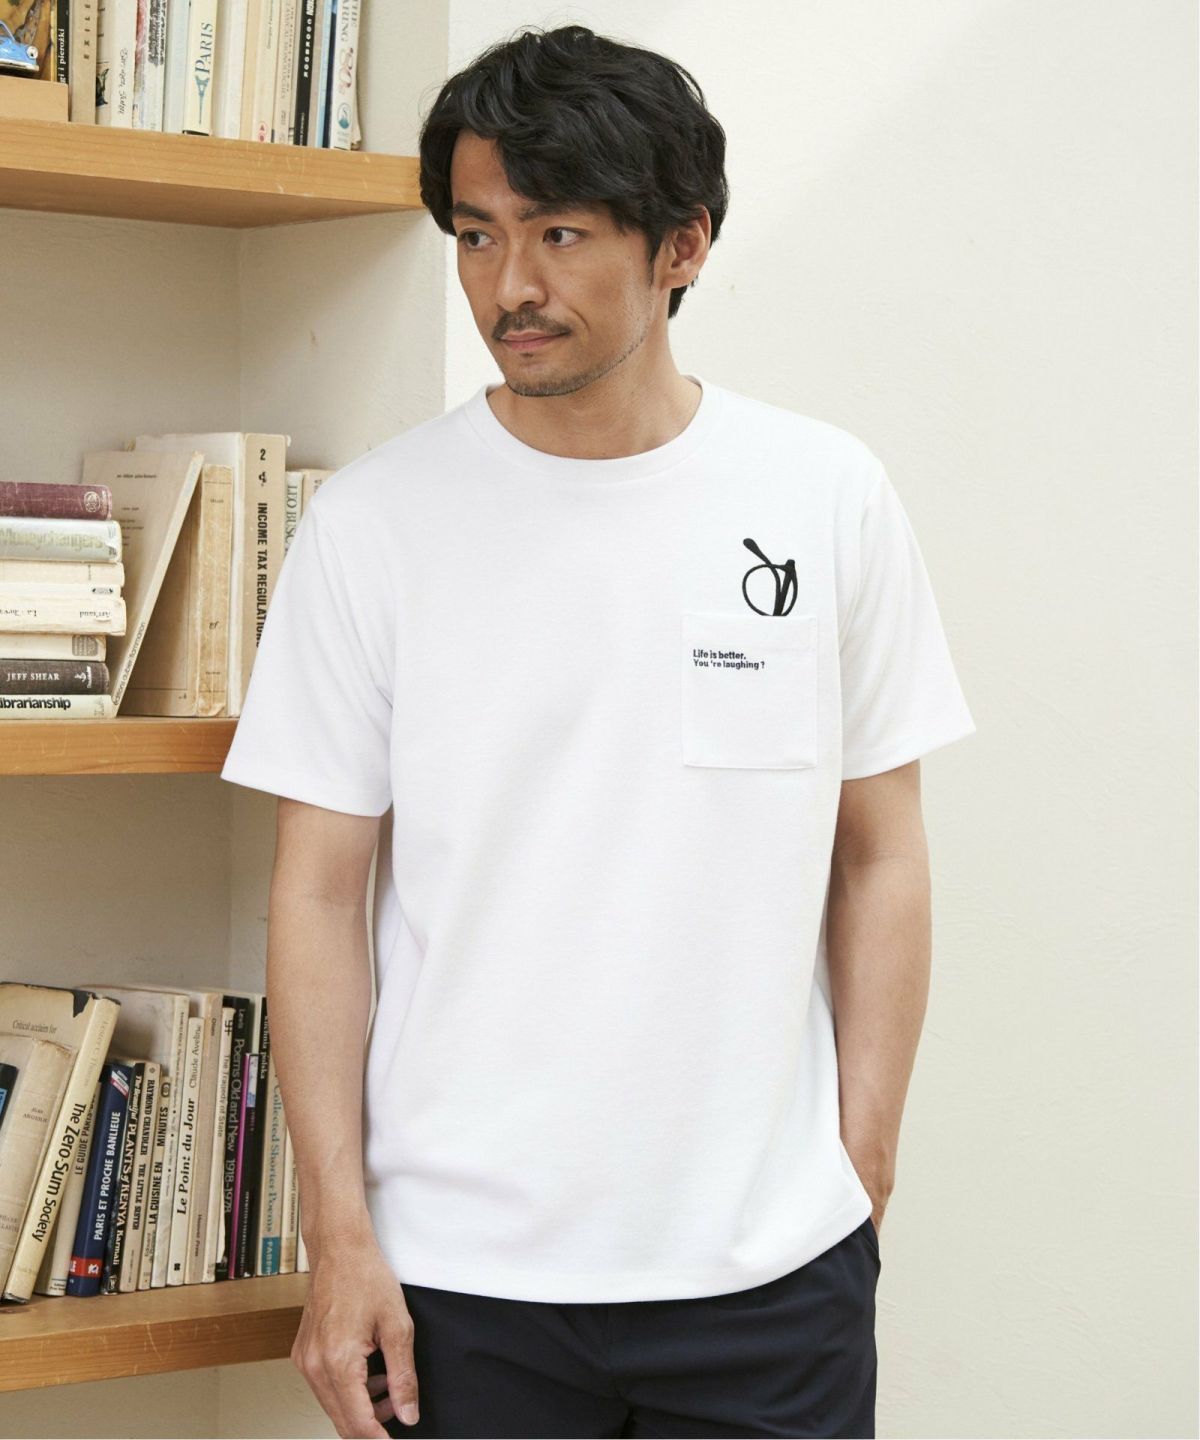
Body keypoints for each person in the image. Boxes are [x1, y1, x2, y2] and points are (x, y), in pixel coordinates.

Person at [219, 22, 977, 1440]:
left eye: (559, 233)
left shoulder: (825, 495)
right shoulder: (373, 526)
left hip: (768, 1274)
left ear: (682, 244)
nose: (510, 284)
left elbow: (881, 852)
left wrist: (861, 1164)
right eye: (477, 235)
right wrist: (341, 1237)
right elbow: (316, 894)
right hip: (456, 1284)